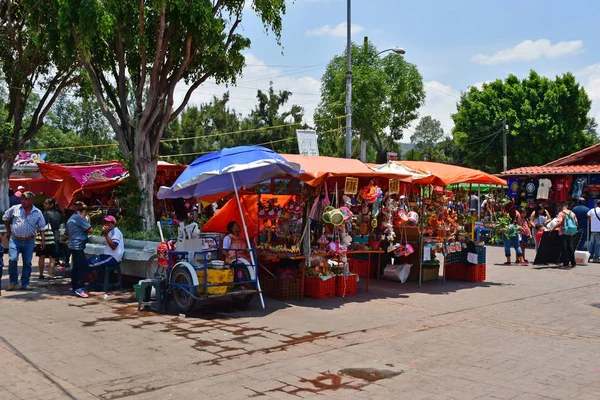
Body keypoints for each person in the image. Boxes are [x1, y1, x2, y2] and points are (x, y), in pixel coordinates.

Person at [2, 191, 47, 291]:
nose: (23, 201)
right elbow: (5, 218)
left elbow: (42, 227)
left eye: (26, 199)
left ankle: (25, 283)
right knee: (12, 260)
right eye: (22, 199)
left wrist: (43, 241)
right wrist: (9, 231)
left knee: (27, 263)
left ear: (31, 201)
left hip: (29, 241)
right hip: (15, 239)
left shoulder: (37, 212)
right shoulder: (15, 209)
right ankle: (13, 282)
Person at [82, 215, 124, 292]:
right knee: (88, 263)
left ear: (113, 223)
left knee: (87, 265)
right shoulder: (110, 232)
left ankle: (94, 284)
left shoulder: (116, 232)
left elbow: (113, 246)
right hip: (108, 256)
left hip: (113, 257)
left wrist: (106, 235)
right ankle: (95, 283)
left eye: (108, 222)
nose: (106, 224)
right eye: (105, 222)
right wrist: (106, 234)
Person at [66, 203, 93, 298]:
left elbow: (66, 233)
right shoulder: (80, 218)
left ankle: (74, 288)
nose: (86, 215)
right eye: (85, 213)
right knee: (82, 267)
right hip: (78, 246)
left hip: (72, 245)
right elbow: (90, 230)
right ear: (83, 212)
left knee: (76, 267)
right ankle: (80, 288)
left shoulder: (71, 218)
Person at [35, 198, 62, 280]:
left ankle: (41, 274)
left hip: (45, 237)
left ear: (51, 205)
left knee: (42, 256)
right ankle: (51, 274)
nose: (44, 204)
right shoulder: (58, 214)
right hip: (54, 237)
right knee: (52, 258)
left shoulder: (45, 214)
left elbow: (42, 226)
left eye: (46, 203)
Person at [548, 204, 577, 268]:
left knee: (564, 248)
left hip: (563, 232)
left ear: (560, 207)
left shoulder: (561, 213)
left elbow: (559, 222)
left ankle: (566, 263)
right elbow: (576, 223)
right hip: (570, 232)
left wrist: (552, 229)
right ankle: (573, 263)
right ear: (567, 206)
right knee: (570, 248)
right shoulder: (572, 213)